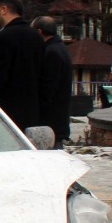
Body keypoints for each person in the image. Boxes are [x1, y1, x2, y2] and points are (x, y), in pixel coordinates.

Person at [0, 0, 43, 131]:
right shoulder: (36, 36)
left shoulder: (4, 37)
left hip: (8, 111)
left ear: (4, 10)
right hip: (32, 109)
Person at [33, 15, 72, 148]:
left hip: (51, 122)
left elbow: (48, 89)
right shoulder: (59, 48)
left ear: (39, 32)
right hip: (57, 121)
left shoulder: (51, 53)